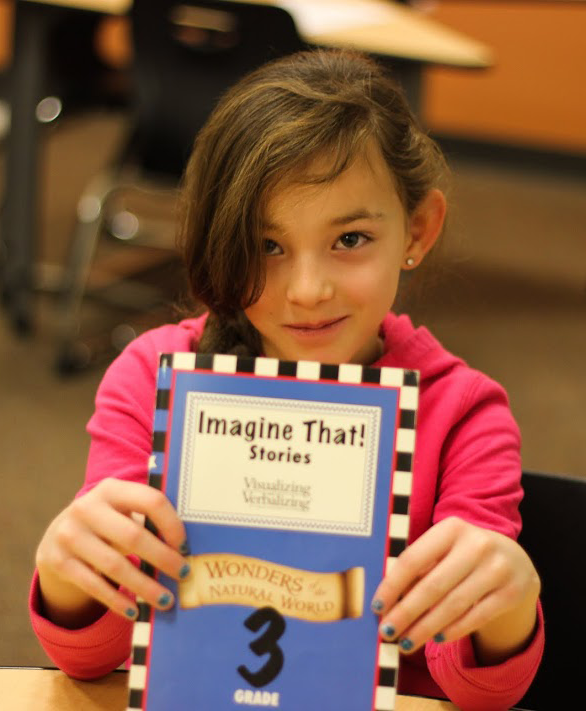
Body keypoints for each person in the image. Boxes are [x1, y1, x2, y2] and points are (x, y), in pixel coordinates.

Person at [30, 49, 544, 709]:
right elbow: (91, 655)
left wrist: (505, 601)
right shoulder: (153, 381)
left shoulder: (465, 414)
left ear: (418, 229)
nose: (308, 290)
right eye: (267, 246)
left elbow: (479, 689)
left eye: (350, 239)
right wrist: (67, 571)